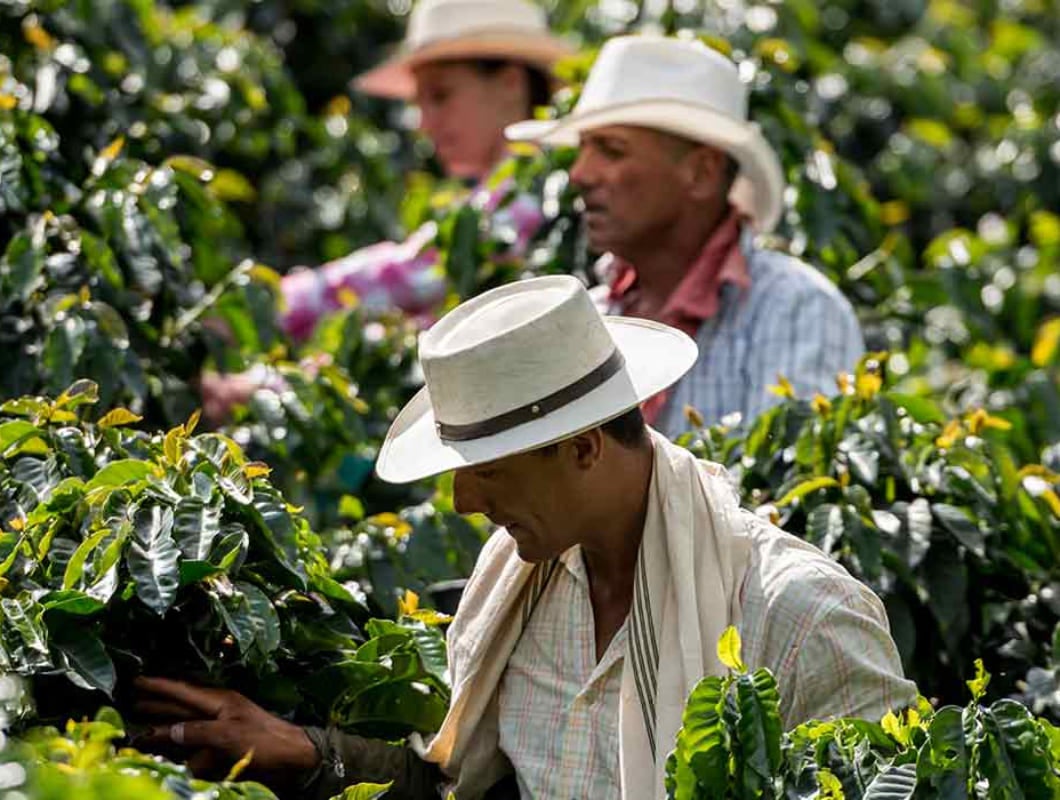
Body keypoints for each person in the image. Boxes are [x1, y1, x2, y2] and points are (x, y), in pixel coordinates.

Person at [138, 275, 916, 799]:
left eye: (487, 470)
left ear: (584, 449)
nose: (463, 498)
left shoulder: (802, 618)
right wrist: (306, 750)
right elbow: (454, 781)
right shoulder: (524, 578)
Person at [199, 0, 571, 418]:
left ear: (510, 84)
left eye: (441, 96)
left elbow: (418, 275)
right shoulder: (501, 191)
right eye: (420, 101)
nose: (422, 122)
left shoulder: (535, 188)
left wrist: (261, 310)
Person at [507, 35, 867, 438]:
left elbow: (786, 488)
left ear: (702, 173)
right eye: (584, 149)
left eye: (611, 150)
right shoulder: (592, 317)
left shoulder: (795, 310)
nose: (580, 174)